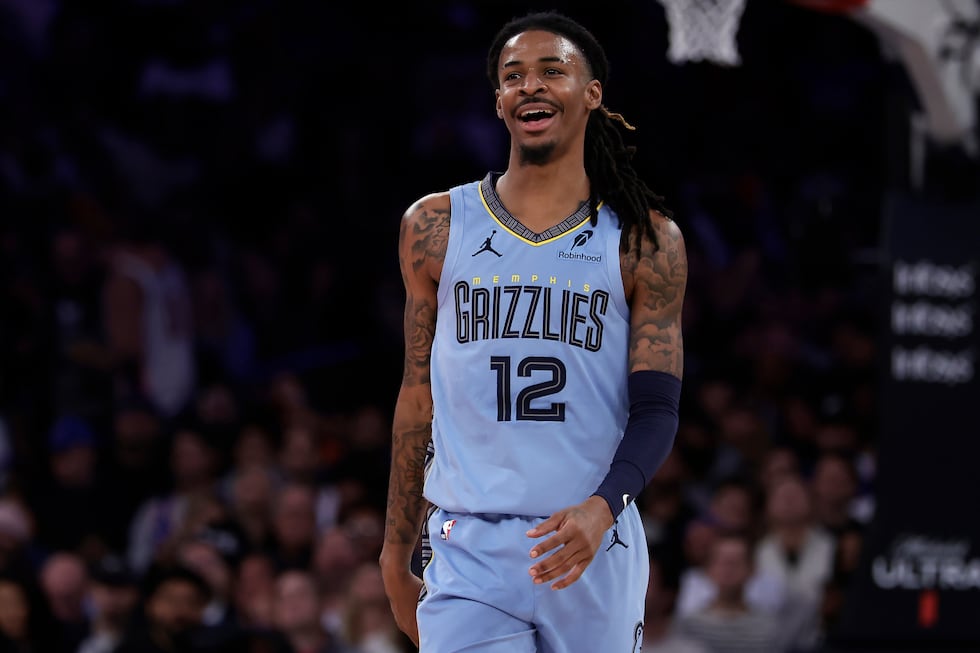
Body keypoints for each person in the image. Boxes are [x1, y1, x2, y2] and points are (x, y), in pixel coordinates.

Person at [379, 10, 687, 652]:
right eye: (513, 75)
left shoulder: (644, 239)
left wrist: (605, 505)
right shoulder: (435, 227)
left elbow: (656, 409)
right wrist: (394, 549)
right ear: (498, 101)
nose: (531, 85)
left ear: (592, 93)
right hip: (470, 546)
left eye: (553, 70)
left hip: (590, 540)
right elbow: (416, 398)